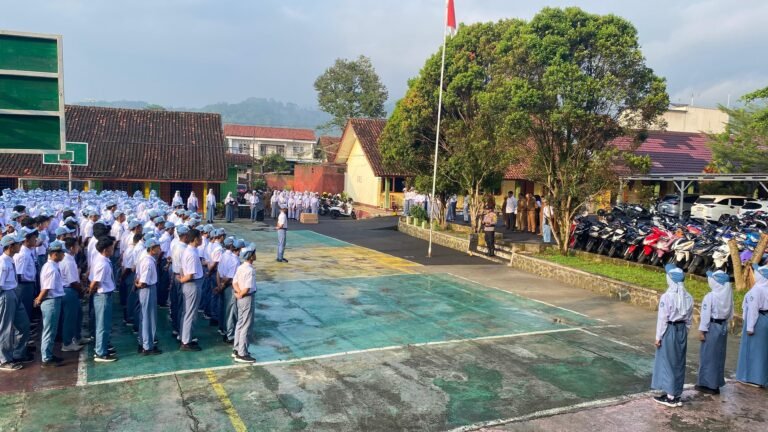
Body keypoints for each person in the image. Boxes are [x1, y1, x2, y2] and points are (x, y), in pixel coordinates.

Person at [651, 264, 694, 407]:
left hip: (669, 329)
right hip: (682, 330)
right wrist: (684, 332)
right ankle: (676, 394)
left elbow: (663, 319)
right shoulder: (688, 297)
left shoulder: (667, 297)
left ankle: (670, 397)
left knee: (668, 362)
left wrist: (658, 337)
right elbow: (689, 319)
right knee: (678, 362)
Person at [696, 270, 733, 395]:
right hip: (723, 327)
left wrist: (702, 330)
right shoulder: (728, 295)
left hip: (712, 327)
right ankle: (716, 383)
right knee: (719, 355)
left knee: (708, 355)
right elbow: (730, 313)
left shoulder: (710, 296)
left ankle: (707, 384)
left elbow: (705, 315)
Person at [0, 235, 32, 371]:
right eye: (18, 244)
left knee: (24, 324)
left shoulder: (10, 260)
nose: (20, 246)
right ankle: (4, 359)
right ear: (10, 246)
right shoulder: (3, 263)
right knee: (5, 327)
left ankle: (18, 353)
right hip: (6, 294)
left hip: (13, 292)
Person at [34, 240, 67, 367]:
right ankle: (46, 358)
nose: (63, 255)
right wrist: (39, 299)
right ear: (55, 254)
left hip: (52, 300)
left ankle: (48, 354)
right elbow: (47, 288)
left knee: (51, 330)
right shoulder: (51, 268)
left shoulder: (50, 266)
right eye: (61, 253)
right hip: (51, 301)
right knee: (49, 330)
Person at [735, 263, 768, 387]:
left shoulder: (757, 290)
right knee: (762, 350)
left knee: (751, 349)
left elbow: (753, 310)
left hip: (757, 321)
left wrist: (750, 327)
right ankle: (761, 378)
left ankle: (750, 378)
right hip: (765, 319)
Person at [89, 236, 118, 362]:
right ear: (106, 249)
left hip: (104, 295)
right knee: (102, 325)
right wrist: (90, 291)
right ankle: (100, 353)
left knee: (104, 324)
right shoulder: (103, 264)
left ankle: (102, 347)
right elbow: (95, 282)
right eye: (111, 247)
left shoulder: (102, 260)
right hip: (103, 296)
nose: (113, 249)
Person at [177, 228, 203, 351]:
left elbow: (182, 269)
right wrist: (182, 280)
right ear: (195, 239)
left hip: (189, 285)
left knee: (186, 312)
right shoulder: (192, 254)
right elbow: (190, 275)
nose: (202, 239)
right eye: (200, 238)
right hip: (192, 285)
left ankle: (184, 337)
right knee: (190, 314)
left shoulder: (189, 250)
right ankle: (186, 342)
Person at [135, 238, 162, 355]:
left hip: (146, 289)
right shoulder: (148, 262)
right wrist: (138, 285)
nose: (160, 249)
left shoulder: (145, 258)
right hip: (148, 289)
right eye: (158, 247)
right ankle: (147, 346)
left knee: (144, 316)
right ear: (152, 249)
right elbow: (143, 282)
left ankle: (143, 342)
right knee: (149, 317)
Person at [232, 243, 257, 363]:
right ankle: (242, 353)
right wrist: (241, 294)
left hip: (240, 298)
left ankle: (236, 348)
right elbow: (247, 288)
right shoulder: (250, 270)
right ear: (250, 256)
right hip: (247, 298)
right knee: (246, 325)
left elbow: (234, 282)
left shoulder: (241, 267)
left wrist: (238, 293)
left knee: (240, 323)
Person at [59, 238, 85, 351]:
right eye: (77, 246)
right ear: (71, 248)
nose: (78, 248)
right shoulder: (68, 261)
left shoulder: (70, 258)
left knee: (78, 315)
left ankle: (77, 337)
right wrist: (81, 290)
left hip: (70, 289)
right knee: (70, 318)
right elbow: (73, 282)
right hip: (69, 290)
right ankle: (67, 343)